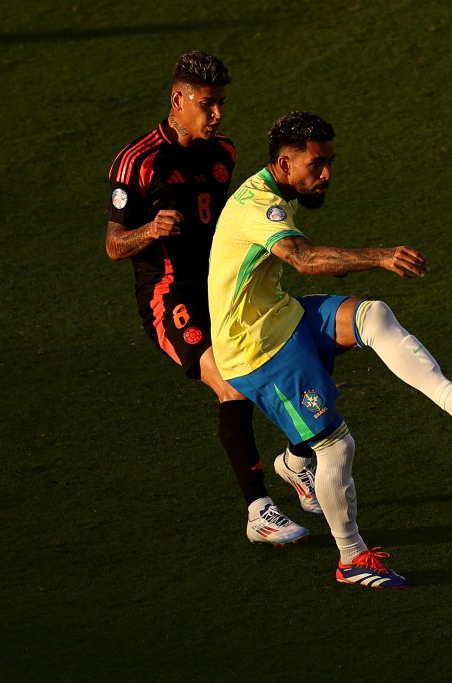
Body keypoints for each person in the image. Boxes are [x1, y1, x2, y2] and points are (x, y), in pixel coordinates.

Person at [207, 111, 452, 588]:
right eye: (317, 164)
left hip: (282, 316)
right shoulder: (259, 207)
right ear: (284, 165)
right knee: (337, 445)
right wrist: (379, 256)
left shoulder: (278, 189)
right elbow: (303, 260)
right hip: (256, 351)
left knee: (374, 316)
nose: (326, 174)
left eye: (330, 162)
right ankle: (352, 558)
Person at [104, 52, 318, 547]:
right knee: (232, 383)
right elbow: (114, 245)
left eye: (221, 103)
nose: (218, 114)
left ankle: (296, 459)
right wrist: (149, 230)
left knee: (294, 351)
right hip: (168, 293)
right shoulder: (137, 161)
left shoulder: (222, 153)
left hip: (220, 286)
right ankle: (259, 512)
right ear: (178, 100)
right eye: (208, 103)